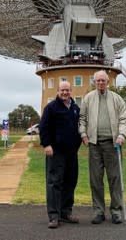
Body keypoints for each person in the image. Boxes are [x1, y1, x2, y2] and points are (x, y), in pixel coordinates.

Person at [79, 70, 126, 225]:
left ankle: (116, 211)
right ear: (94, 82)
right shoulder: (88, 98)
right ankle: (98, 211)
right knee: (96, 180)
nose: (101, 83)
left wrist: (122, 135)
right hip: (94, 144)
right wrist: (83, 134)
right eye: (98, 80)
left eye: (103, 80)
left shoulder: (117, 99)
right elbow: (82, 118)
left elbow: (123, 118)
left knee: (115, 178)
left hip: (113, 144)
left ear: (108, 82)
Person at [39, 80, 82, 229]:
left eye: (67, 90)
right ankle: (54, 216)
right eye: (62, 90)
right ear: (57, 91)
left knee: (70, 182)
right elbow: (43, 127)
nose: (65, 92)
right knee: (54, 183)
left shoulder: (75, 108)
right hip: (56, 152)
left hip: (71, 153)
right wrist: (46, 144)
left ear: (71, 91)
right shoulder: (51, 108)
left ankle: (65, 212)